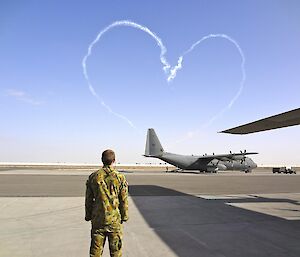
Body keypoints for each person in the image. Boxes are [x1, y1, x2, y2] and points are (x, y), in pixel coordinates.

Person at [85, 149, 129, 257]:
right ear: (114, 160)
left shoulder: (93, 177)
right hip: (114, 222)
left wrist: (88, 215)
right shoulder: (120, 178)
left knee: (95, 253)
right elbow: (123, 200)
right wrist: (124, 216)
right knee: (116, 253)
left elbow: (88, 200)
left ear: (102, 160)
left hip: (98, 221)